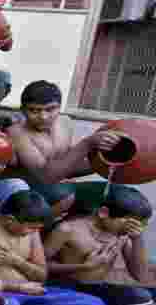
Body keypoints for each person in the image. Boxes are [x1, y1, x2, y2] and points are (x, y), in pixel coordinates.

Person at [45, 185, 153, 305]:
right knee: (139, 298)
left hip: (96, 287)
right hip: (67, 286)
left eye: (137, 226)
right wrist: (82, 267)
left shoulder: (122, 235)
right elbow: (40, 266)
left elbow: (141, 276)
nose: (131, 229)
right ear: (103, 213)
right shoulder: (68, 229)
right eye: (129, 223)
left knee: (146, 298)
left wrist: (138, 239)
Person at [7, 80, 123, 219]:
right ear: (23, 110)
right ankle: (47, 230)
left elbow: (68, 168)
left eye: (50, 109)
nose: (43, 117)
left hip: (59, 189)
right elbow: (46, 177)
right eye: (34, 110)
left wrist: (106, 161)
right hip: (27, 196)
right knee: (64, 194)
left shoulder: (65, 122)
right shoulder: (16, 133)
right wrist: (87, 144)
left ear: (60, 107)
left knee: (121, 196)